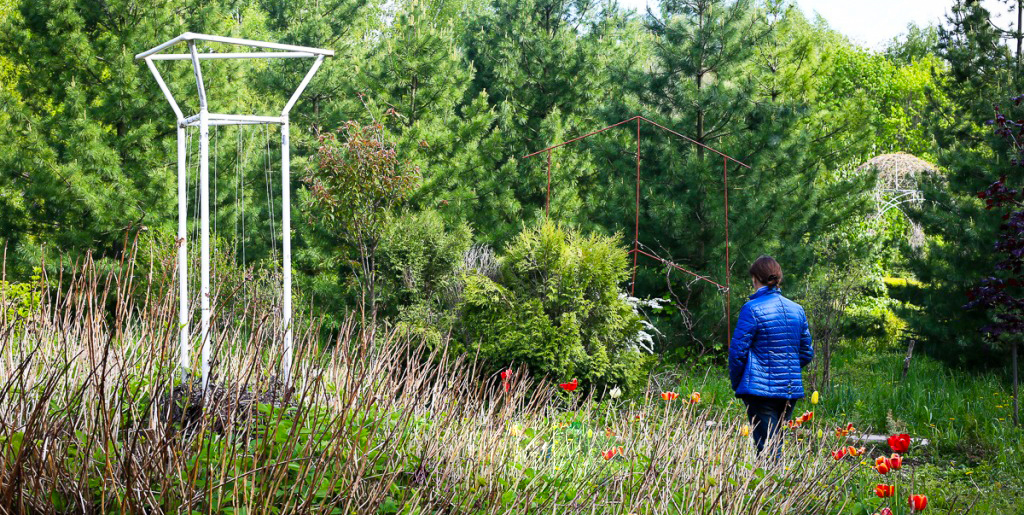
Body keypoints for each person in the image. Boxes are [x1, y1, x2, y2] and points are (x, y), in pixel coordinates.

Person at [729, 255, 813, 457]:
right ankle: (777, 485)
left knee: (765, 449)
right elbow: (806, 352)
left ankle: (769, 486)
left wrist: (739, 383)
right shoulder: (797, 310)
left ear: (755, 278)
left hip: (760, 391)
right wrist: (786, 369)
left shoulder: (752, 308)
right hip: (789, 390)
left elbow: (737, 352)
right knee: (775, 443)